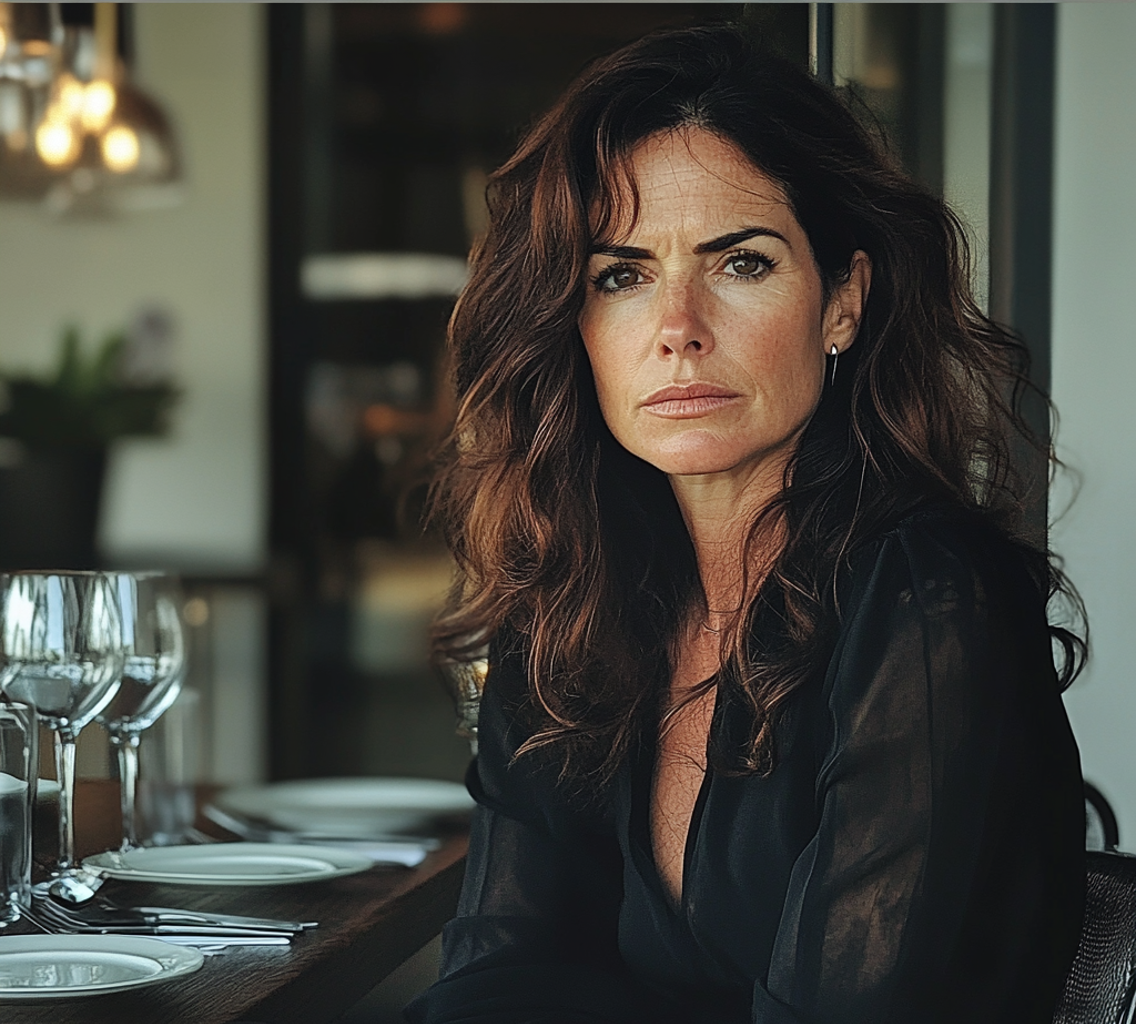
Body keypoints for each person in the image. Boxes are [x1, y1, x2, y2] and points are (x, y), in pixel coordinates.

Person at [408, 25, 1086, 1024]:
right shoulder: (575, 591)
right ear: (575, 324)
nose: (677, 325)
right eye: (622, 274)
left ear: (841, 304)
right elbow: (492, 973)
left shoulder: (928, 598)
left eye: (740, 263)